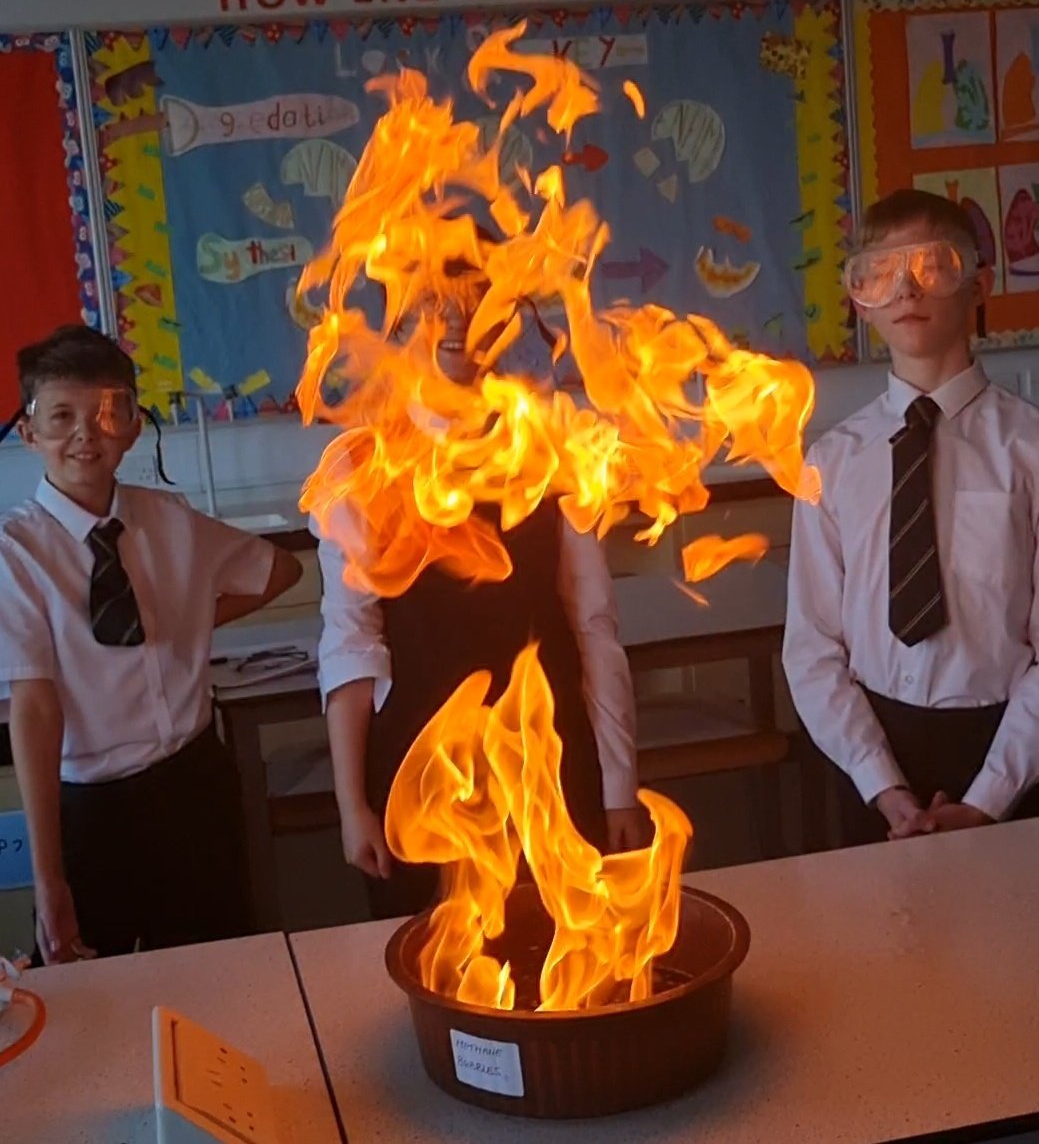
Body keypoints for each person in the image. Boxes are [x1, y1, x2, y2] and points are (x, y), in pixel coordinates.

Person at [313, 260, 649, 919]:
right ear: (400, 323)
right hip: (415, 756)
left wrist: (618, 787)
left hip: (545, 745)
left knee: (560, 954)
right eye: (433, 307)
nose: (456, 325)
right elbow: (350, 642)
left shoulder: (552, 446)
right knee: (429, 962)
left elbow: (592, 625)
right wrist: (352, 805)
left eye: (477, 306)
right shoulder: (355, 465)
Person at [0, 325, 303, 963]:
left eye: (107, 413)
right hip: (91, 807)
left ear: (134, 425)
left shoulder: (167, 518)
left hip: (192, 782)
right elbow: (34, 704)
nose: (86, 434)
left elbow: (281, 570)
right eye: (62, 417)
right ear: (30, 435)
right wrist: (50, 878)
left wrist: (188, 621)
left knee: (220, 971)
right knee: (92, 988)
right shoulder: (16, 555)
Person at [783, 188, 1039, 845]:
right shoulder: (832, 461)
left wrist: (989, 797)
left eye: (931, 267)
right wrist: (883, 786)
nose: (905, 289)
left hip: (1013, 751)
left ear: (976, 284)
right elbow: (812, 647)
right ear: (859, 300)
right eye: (879, 272)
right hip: (867, 757)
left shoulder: (1038, 452)